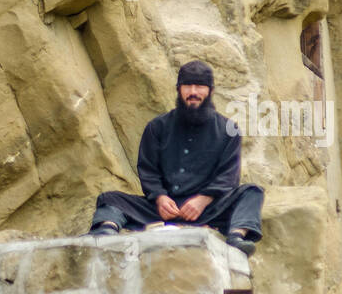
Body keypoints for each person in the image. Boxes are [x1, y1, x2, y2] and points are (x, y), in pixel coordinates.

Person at [87, 60, 263, 256]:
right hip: (163, 208)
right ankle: (106, 231)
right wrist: (160, 198)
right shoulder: (157, 127)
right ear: (179, 90)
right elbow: (148, 170)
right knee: (110, 198)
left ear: (210, 91)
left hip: (208, 210)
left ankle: (236, 237)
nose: (193, 92)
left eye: (199, 86)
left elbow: (229, 177)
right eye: (187, 86)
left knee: (252, 192)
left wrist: (203, 200)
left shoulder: (228, 131)